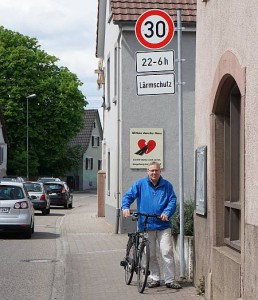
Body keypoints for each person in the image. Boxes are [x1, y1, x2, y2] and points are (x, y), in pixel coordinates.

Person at [121, 161, 182, 289]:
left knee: (166, 251)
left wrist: (167, 212)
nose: (154, 173)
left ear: (160, 171)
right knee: (151, 254)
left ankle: (170, 280)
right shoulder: (140, 184)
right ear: (147, 171)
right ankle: (154, 278)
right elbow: (128, 196)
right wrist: (125, 207)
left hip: (163, 225)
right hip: (145, 225)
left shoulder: (167, 186)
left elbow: (172, 200)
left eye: (156, 170)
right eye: (151, 170)